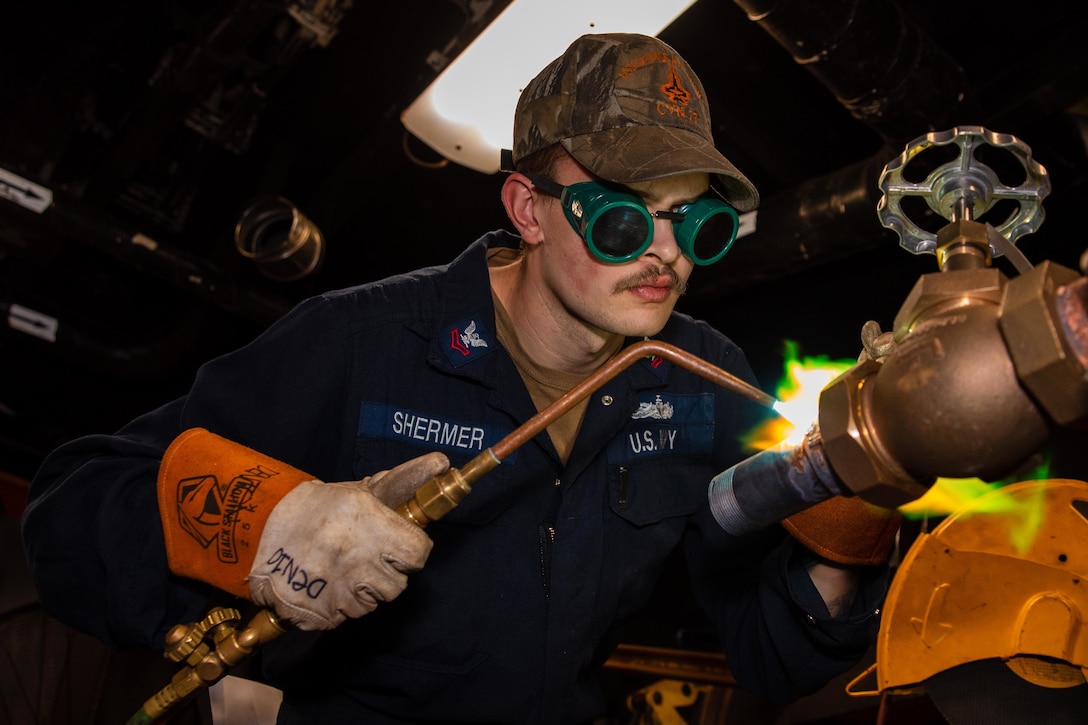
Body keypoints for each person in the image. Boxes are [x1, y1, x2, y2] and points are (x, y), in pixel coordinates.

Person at [22, 33, 892, 723]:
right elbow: (75, 505)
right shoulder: (362, 343)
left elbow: (775, 653)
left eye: (695, 223)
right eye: (627, 220)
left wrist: (852, 518)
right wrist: (270, 522)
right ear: (528, 211)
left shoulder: (705, 383)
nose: (666, 253)